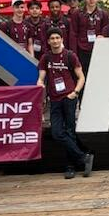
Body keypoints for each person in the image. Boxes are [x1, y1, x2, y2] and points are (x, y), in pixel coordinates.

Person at [37, 27, 93, 178]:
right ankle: (83, 157)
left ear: (61, 39)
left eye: (57, 38)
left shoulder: (70, 55)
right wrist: (40, 85)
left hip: (68, 98)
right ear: (48, 41)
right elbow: (41, 78)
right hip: (54, 100)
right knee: (57, 133)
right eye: (52, 38)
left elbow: (81, 77)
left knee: (69, 131)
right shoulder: (46, 58)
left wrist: (74, 93)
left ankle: (70, 166)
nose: (55, 41)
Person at [73, 0, 109, 77]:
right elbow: (73, 33)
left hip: (98, 49)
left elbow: (105, 31)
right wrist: (74, 52)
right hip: (82, 49)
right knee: (83, 74)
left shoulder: (103, 14)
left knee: (98, 74)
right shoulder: (77, 14)